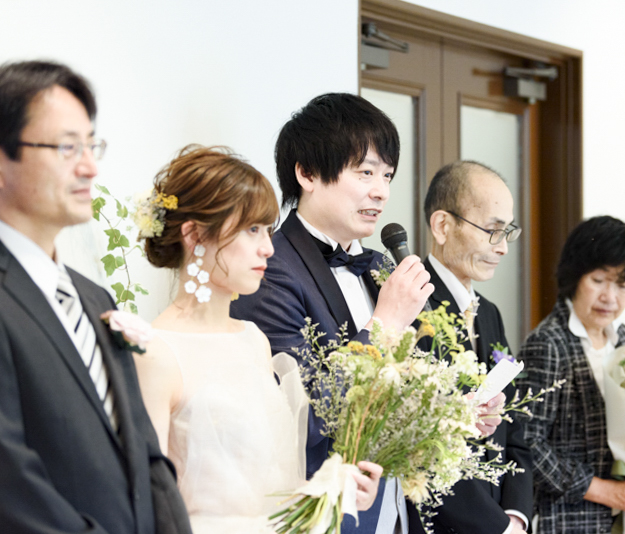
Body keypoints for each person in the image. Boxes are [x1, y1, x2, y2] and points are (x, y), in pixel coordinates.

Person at [132, 145, 383, 534]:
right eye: (252, 230)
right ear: (194, 235)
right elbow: (144, 506)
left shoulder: (253, 339)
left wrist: (336, 490)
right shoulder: (155, 352)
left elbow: (270, 481)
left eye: (267, 230)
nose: (267, 247)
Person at [231, 93, 438, 534]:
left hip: (396, 511)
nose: (381, 191)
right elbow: (299, 416)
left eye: (387, 175)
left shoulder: (380, 266)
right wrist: (384, 324)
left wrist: (453, 409)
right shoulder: (269, 269)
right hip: (321, 513)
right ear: (306, 173)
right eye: (365, 172)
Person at [0, 60, 190, 534]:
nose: (90, 166)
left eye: (91, 145)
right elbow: (11, 481)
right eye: (67, 147)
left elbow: (144, 452)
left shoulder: (93, 297)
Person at [517, 215, 625, 534]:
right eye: (598, 280)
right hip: (565, 522)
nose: (610, 297)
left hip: (624, 519)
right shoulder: (547, 344)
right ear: (575, 276)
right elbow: (526, 444)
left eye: (623, 285)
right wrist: (607, 491)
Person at [421, 161, 534, 534]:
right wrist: (496, 527)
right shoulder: (412, 305)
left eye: (508, 232)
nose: (502, 248)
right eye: (492, 231)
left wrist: (516, 515)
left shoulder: (490, 314)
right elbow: (422, 445)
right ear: (443, 226)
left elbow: (515, 424)